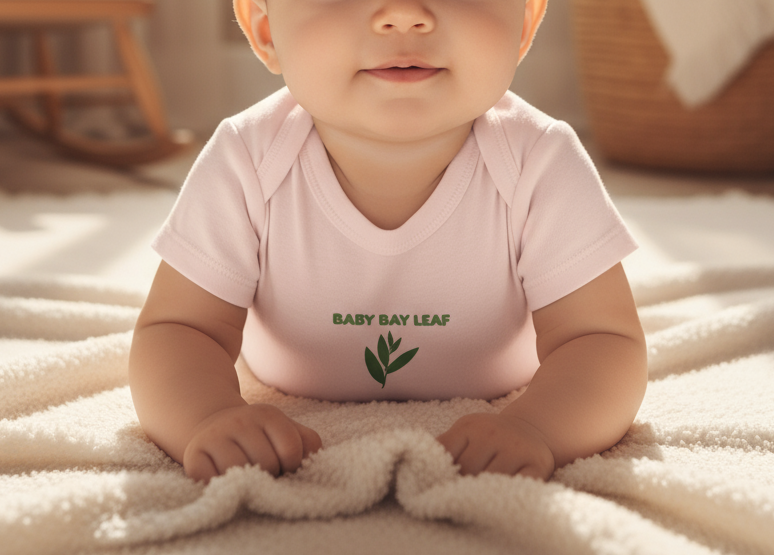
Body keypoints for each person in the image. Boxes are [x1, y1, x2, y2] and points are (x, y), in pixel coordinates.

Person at [129, 0, 648, 484]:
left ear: (526, 23)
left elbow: (602, 341)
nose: (403, 16)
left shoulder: (541, 161)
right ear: (265, 28)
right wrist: (208, 418)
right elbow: (179, 329)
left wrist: (539, 428)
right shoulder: (246, 159)